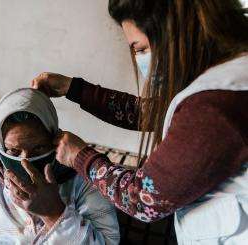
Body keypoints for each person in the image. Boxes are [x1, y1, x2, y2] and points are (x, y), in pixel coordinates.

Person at [30, 0, 248, 244]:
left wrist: (80, 157)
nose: (140, 59)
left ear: (174, 34)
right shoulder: (229, 76)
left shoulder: (215, 105)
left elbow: (143, 198)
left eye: (141, 48)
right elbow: (149, 112)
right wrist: (73, 88)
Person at [0, 88, 120, 244]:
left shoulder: (84, 180)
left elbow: (109, 242)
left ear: (55, 140)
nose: (25, 162)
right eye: (13, 152)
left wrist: (53, 212)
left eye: (38, 149)